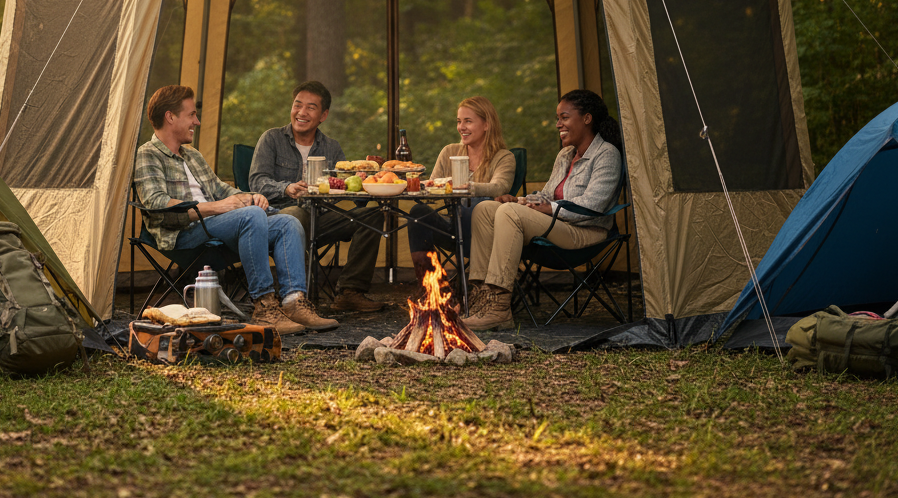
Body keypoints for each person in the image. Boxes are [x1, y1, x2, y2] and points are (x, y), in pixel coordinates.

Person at [134, 85, 338, 336]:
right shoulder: (148, 154)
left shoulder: (192, 156)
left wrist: (250, 197)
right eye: (192, 115)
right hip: (182, 235)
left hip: (215, 228)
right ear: (170, 117)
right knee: (251, 216)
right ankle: (264, 306)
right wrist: (218, 207)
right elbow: (155, 204)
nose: (197, 122)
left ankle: (294, 302)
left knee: (288, 222)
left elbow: (221, 189)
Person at [461, 89, 623, 332]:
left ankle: (499, 309)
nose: (558, 124)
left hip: (584, 231)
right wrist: (519, 200)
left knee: (509, 213)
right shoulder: (566, 154)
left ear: (587, 119)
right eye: (558, 118)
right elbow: (547, 194)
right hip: (558, 225)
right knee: (486, 209)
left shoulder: (607, 154)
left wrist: (548, 208)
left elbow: (593, 205)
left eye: (564, 118)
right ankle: (480, 299)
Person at [248, 81, 385, 313]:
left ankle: (350, 292)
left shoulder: (331, 147)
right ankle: (297, 296)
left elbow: (345, 188)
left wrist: (366, 178)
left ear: (323, 115)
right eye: (297, 105)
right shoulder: (271, 139)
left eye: (310, 108)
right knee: (295, 214)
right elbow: (256, 181)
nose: (301, 112)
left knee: (372, 215)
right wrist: (286, 188)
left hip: (321, 217)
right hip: (280, 216)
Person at [406, 96, 516, 287]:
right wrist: (411, 182)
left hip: (486, 234)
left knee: (473, 205)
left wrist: (467, 188)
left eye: (468, 121)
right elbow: (432, 186)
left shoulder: (503, 157)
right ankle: (432, 287)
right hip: (454, 230)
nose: (461, 127)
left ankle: (478, 284)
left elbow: (500, 186)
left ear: (487, 125)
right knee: (418, 213)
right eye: (459, 121)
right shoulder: (450, 151)